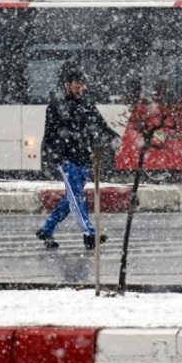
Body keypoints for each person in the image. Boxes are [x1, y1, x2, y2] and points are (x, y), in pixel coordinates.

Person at [35, 68, 121, 250]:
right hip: (66, 159)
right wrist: (57, 156)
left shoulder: (87, 104)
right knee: (76, 196)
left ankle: (46, 229)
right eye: (77, 84)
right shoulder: (56, 105)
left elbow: (100, 124)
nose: (80, 88)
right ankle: (89, 233)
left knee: (70, 199)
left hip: (84, 157)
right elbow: (50, 134)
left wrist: (113, 136)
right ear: (67, 84)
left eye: (82, 84)